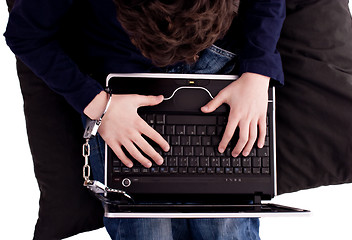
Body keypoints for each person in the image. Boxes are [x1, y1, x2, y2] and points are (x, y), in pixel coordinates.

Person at [5, 0, 285, 239]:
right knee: (147, 228)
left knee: (225, 224)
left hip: (218, 68)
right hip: (121, 92)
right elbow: (25, 35)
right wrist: (100, 106)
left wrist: (257, 73)